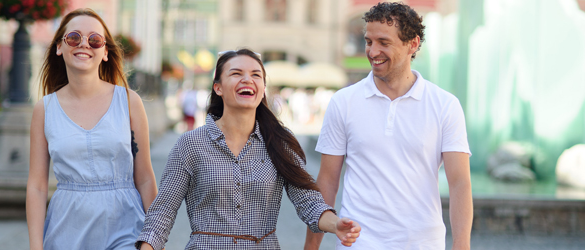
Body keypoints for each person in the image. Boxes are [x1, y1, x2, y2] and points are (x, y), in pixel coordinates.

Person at [136, 48, 361, 250]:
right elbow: (162, 212)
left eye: (256, 75)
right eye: (236, 74)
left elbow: (309, 202)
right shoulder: (190, 144)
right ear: (218, 87)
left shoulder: (280, 142)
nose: (247, 80)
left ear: (263, 89)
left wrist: (336, 224)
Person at [304, 2, 473, 250]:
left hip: (423, 244)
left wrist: (461, 245)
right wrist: (311, 247)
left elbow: (459, 183)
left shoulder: (445, 105)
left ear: (412, 44)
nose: (372, 52)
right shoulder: (343, 102)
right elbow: (328, 180)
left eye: (384, 43)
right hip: (359, 244)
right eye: (368, 41)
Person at [26, 8, 158, 250]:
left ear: (105, 52)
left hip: (126, 227)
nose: (84, 44)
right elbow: (36, 186)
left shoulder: (129, 102)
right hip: (66, 229)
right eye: (74, 37)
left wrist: (155, 239)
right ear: (59, 46)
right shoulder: (44, 109)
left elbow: (146, 178)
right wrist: (36, 246)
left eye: (95, 40)